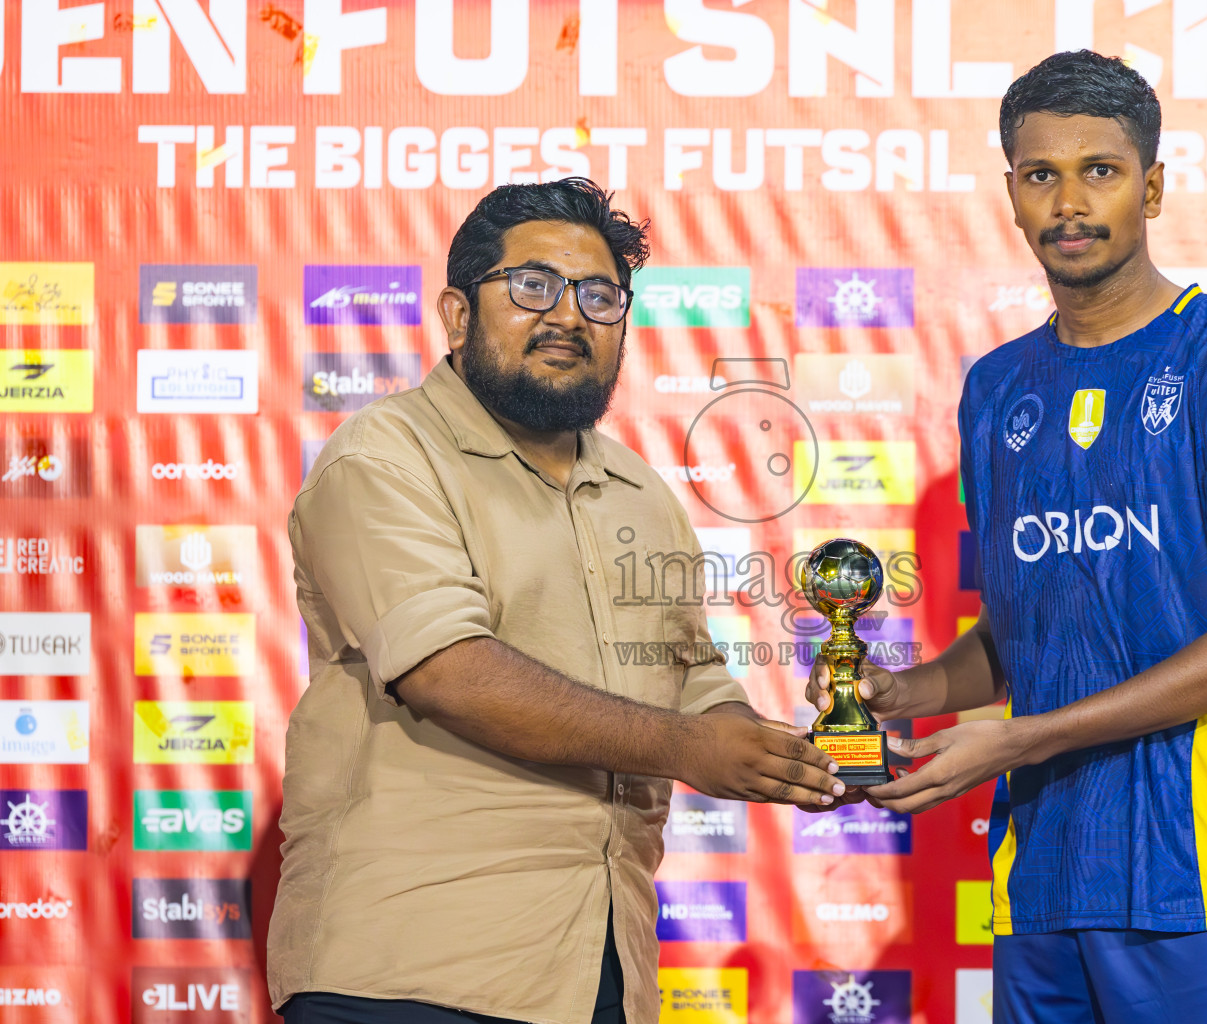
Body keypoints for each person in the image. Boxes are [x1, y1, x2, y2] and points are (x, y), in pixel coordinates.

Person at [810, 50, 1207, 1023]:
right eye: (1042, 174)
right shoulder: (997, 388)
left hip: (1205, 881)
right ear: (1011, 194)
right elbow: (1028, 633)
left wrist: (1017, 740)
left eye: (1102, 170)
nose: (1070, 202)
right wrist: (905, 693)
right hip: (1042, 878)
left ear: (1153, 187)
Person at [270, 178, 846, 1024]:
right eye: (532, 286)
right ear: (458, 315)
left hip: (600, 972)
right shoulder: (384, 458)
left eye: (599, 296)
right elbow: (449, 673)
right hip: (408, 969)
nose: (568, 315)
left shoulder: (640, 493)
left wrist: (788, 753)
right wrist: (687, 745)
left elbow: (688, 677)